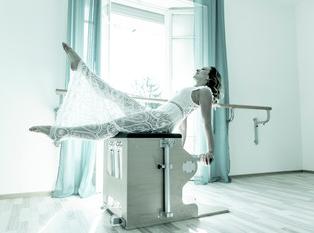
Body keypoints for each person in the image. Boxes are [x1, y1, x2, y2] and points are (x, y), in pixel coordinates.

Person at [30, 43, 222, 165]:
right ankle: (80, 67)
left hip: (160, 120)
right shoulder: (191, 90)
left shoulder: (204, 91)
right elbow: (183, 123)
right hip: (156, 116)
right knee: (115, 95)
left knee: (110, 127)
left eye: (203, 69)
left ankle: (59, 132)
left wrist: (211, 150)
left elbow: (206, 123)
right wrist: (179, 149)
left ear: (209, 78)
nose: (199, 69)